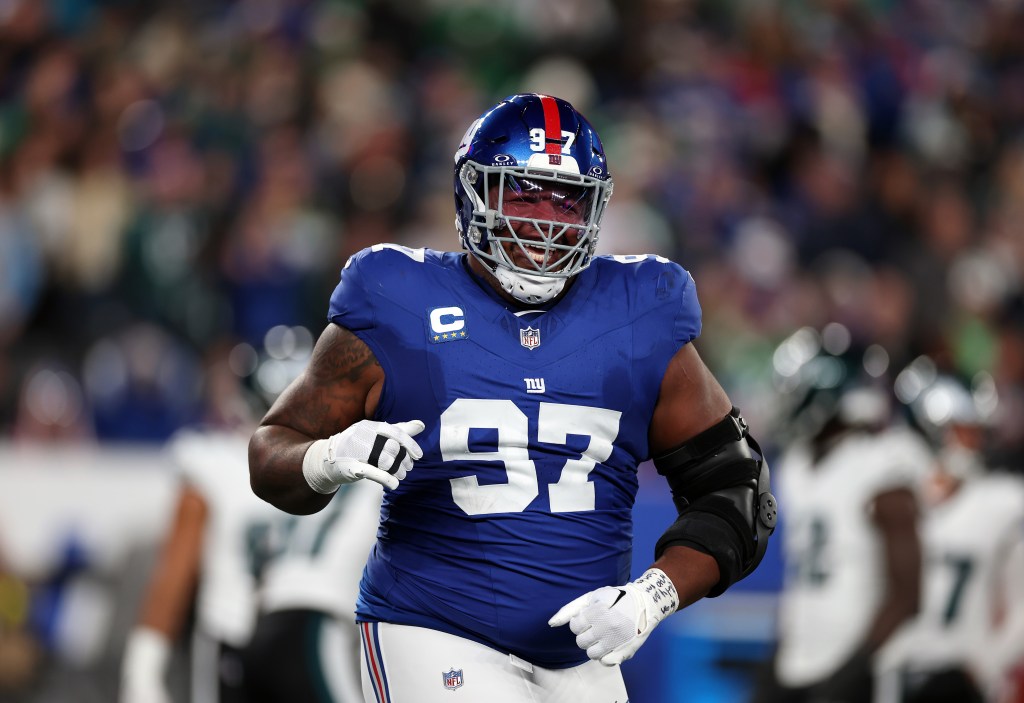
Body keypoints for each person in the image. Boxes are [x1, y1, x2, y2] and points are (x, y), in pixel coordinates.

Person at [248, 92, 777, 703]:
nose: (547, 219)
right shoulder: (394, 297)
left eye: (567, 199)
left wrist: (649, 598)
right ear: (474, 194)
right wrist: (328, 458)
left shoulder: (640, 311)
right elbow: (271, 451)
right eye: (524, 193)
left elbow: (739, 491)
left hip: (584, 652)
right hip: (431, 628)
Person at [753, 325, 930, 703]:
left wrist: (857, 667)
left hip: (855, 658)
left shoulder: (883, 463)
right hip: (797, 653)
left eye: (795, 391)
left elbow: (908, 593)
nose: (785, 402)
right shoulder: (798, 465)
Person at [889, 363, 1024, 703]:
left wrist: (983, 666)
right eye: (963, 431)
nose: (973, 444)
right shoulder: (896, 502)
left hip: (964, 678)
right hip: (900, 668)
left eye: (977, 432)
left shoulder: (1003, 502)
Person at [120, 425, 279, 703]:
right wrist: (143, 668)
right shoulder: (216, 464)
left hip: (280, 634)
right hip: (238, 632)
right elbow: (177, 569)